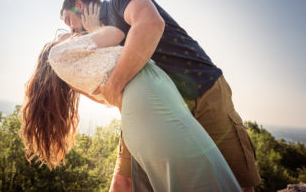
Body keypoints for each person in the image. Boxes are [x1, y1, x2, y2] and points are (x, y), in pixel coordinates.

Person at [60, 0, 261, 192]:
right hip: (154, 108)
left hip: (204, 91)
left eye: (69, 21)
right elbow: (109, 91)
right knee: (123, 183)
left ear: (79, 6)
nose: (72, 30)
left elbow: (150, 24)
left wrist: (115, 83)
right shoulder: (99, 36)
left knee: (238, 181)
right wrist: (97, 36)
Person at [20, 25, 242, 191]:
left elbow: (112, 98)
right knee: (198, 170)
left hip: (138, 114)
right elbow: (117, 32)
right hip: (149, 103)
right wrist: (94, 24)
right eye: (62, 35)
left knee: (183, 175)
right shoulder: (58, 54)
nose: (69, 31)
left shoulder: (76, 78)